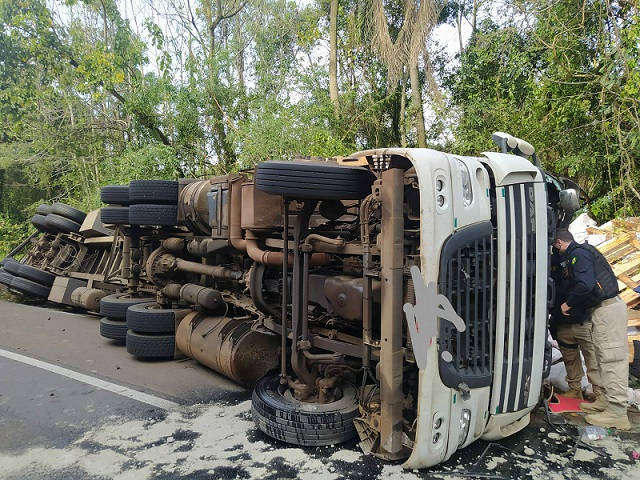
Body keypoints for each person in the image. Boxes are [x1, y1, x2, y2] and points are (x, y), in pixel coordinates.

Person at [554, 228, 630, 430]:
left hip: (607, 311)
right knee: (604, 358)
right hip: (602, 311)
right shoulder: (584, 252)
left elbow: (585, 285)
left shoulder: (577, 253)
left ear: (559, 243)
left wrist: (567, 304)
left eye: (556, 247)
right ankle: (605, 402)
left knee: (612, 359)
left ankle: (617, 413)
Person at [549, 249, 603, 400]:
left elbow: (585, 288)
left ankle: (599, 394)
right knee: (570, 358)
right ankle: (575, 390)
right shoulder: (552, 262)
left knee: (592, 358)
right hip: (563, 322)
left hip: (582, 320)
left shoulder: (579, 260)